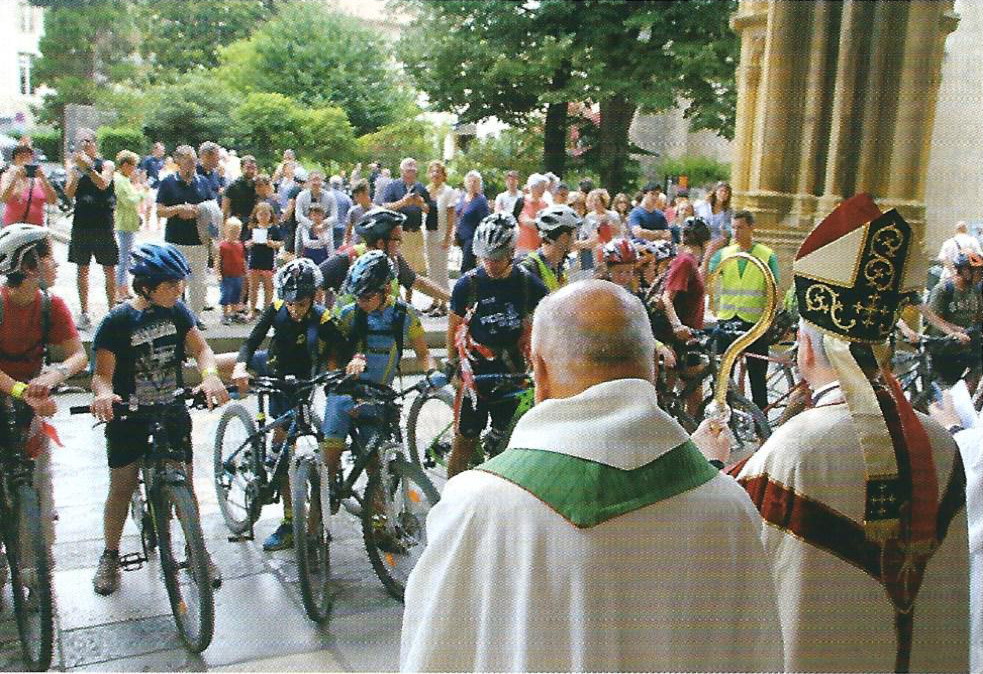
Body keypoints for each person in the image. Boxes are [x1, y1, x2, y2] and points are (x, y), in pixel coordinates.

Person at [401, 279, 784, 672]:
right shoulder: (728, 510)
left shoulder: (476, 506)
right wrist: (711, 472)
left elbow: (431, 655)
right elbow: (759, 656)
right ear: (653, 368)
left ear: (540, 370)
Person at [722, 194, 970, 672]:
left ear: (807, 349)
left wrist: (713, 462)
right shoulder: (942, 445)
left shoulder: (796, 451)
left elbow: (725, 566)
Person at [90, 243, 229, 595]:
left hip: (170, 410)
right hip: (129, 415)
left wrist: (210, 375)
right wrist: (105, 394)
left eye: (180, 283)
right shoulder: (118, 321)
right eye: (171, 285)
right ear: (147, 286)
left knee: (184, 480)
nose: (178, 290)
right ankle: (110, 554)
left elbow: (201, 349)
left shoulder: (178, 312)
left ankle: (196, 549)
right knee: (122, 485)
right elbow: (102, 374)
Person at [217, 258, 341, 551]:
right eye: (290, 304)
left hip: (300, 380)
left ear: (314, 298)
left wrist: (349, 362)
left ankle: (280, 457)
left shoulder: (321, 318)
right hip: (273, 369)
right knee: (225, 365)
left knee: (289, 437)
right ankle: (286, 517)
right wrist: (241, 366)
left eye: (301, 304)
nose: (295, 310)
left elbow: (342, 343)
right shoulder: (276, 310)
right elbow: (252, 340)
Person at [0, 225, 88, 590]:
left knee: (38, 480)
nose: (57, 264)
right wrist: (24, 390)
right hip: (16, 391)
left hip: (27, 399)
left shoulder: (51, 305)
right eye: (50, 256)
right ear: (30, 264)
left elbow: (79, 354)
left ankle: (35, 560)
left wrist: (55, 376)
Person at [321, 251, 436, 489]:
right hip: (346, 393)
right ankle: (314, 518)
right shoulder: (349, 314)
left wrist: (432, 374)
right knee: (329, 461)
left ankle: (378, 521)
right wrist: (340, 376)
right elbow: (332, 355)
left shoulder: (405, 315)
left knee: (376, 466)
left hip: (378, 397)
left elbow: (424, 354)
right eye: (357, 297)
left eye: (367, 297)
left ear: (386, 289)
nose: (361, 302)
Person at [445, 213, 548, 478]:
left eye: (497, 258)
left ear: (512, 253)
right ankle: (451, 500)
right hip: (476, 372)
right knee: (465, 439)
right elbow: (454, 324)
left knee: (508, 444)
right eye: (485, 257)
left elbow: (550, 318)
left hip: (512, 372)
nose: (490, 264)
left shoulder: (527, 283)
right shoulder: (467, 285)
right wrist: (452, 365)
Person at [707, 210, 778, 411]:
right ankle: (722, 417)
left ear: (751, 228)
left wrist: (769, 320)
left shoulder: (766, 254)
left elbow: (774, 289)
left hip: (755, 323)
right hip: (727, 320)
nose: (736, 232)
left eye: (740, 227)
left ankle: (760, 423)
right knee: (723, 377)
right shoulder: (724, 254)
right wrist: (709, 253)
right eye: (733, 227)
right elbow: (707, 280)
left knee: (757, 378)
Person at [65, 128, 117, 331]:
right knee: (82, 268)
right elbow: (69, 192)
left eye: (87, 141)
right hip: (82, 223)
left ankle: (112, 310)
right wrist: (78, 172)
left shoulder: (106, 164)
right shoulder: (74, 168)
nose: (84, 145)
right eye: (80, 142)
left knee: (109, 268)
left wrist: (88, 169)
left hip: (103, 221)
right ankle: (84, 312)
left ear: (95, 144)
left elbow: (104, 183)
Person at [155, 145, 213, 317]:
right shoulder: (168, 182)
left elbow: (211, 209)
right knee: (174, 281)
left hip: (199, 241)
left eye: (194, 160)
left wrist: (198, 211)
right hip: (175, 240)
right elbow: (160, 211)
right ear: (178, 162)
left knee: (199, 283)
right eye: (188, 161)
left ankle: (195, 317)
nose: (192, 164)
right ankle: (175, 316)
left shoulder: (203, 182)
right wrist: (178, 209)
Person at [923, 250, 983, 391]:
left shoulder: (975, 290)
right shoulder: (944, 289)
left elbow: (979, 315)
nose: (980, 275)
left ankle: (964, 400)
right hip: (943, 344)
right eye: (977, 271)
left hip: (965, 342)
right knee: (943, 384)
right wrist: (956, 331)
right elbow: (934, 319)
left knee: (978, 364)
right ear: (964, 271)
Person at [382, 158, 431, 294]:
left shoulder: (421, 188)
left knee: (412, 270)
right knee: (396, 267)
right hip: (398, 234)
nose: (411, 172)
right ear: (402, 171)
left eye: (413, 170)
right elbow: (386, 206)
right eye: (408, 169)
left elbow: (429, 210)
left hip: (415, 233)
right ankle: (395, 298)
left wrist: (420, 203)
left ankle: (409, 302)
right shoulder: (393, 186)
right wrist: (403, 202)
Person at [517, 204, 579, 293]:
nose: (575, 239)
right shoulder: (529, 268)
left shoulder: (559, 266)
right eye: (574, 234)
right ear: (564, 237)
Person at [423, 161, 456, 317]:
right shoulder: (426, 191)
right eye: (432, 171)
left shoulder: (448, 191)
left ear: (443, 175)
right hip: (428, 234)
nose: (435, 174)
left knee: (441, 271)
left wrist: (448, 237)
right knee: (431, 270)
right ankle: (434, 301)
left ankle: (444, 303)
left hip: (441, 235)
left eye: (438, 172)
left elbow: (451, 217)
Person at [112, 151, 143, 304]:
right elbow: (129, 201)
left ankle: (124, 288)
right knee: (124, 258)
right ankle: (120, 290)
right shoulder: (120, 180)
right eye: (133, 166)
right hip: (124, 222)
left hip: (129, 222)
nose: (134, 169)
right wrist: (141, 194)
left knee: (127, 257)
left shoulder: (125, 179)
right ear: (125, 165)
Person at [1, 145, 56, 226]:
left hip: (36, 227)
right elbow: (4, 199)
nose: (25, 160)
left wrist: (44, 178)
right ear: (15, 160)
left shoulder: (39, 179)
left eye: (27, 157)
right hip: (14, 226)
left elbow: (53, 200)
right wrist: (15, 179)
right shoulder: (8, 175)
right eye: (21, 157)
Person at [245, 201, 283, 319]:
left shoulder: (274, 229)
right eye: (261, 214)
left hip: (268, 261)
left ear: (271, 215)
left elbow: (281, 243)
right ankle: (252, 310)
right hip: (255, 260)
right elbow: (245, 243)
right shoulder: (252, 228)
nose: (263, 217)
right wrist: (250, 243)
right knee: (253, 287)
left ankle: (267, 310)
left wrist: (272, 244)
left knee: (268, 287)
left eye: (266, 214)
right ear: (256, 215)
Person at [453, 170, 489, 275]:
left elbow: (484, 221)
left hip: (472, 238)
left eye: (475, 182)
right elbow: (456, 215)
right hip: (460, 236)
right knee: (463, 264)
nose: (472, 184)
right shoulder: (461, 197)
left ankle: (467, 287)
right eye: (470, 181)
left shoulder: (481, 200)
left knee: (467, 265)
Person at [294, 172, 338, 255]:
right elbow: (298, 215)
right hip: (305, 227)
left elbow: (334, 216)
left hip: (324, 228)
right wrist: (311, 225)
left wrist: (323, 224)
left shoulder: (330, 197)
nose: (316, 183)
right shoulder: (301, 196)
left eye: (318, 180)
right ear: (309, 181)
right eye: (314, 180)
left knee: (329, 254)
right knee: (300, 253)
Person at [217, 218, 246, 325]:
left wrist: (244, 270)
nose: (234, 234)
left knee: (236, 294)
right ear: (226, 230)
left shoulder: (240, 244)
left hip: (238, 274)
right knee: (226, 294)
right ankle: (225, 314)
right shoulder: (222, 245)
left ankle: (234, 313)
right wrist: (218, 273)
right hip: (226, 275)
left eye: (237, 231)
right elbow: (218, 260)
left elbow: (242, 258)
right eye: (232, 231)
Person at [516, 173, 549, 256]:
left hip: (539, 247)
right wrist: (538, 224)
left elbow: (546, 225)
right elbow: (522, 220)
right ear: (532, 187)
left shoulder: (545, 205)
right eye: (541, 187)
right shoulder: (521, 202)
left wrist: (534, 223)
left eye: (544, 187)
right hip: (521, 247)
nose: (543, 190)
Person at [221, 155, 258, 227]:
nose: (251, 171)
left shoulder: (257, 185)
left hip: (253, 224)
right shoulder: (233, 186)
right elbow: (225, 210)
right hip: (237, 224)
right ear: (241, 168)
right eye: (248, 168)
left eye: (253, 168)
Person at [138, 142, 165, 229]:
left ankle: (158, 223)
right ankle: (147, 223)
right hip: (150, 186)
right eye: (161, 150)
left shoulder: (162, 161)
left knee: (159, 205)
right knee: (149, 206)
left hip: (159, 186)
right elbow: (143, 172)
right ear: (155, 150)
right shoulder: (148, 160)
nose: (162, 152)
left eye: (163, 150)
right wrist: (144, 183)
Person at [343, 179, 372, 246]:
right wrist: (345, 245)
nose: (355, 198)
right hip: (357, 246)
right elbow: (348, 233)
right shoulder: (353, 211)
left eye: (357, 195)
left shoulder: (377, 210)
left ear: (365, 193)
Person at [329, 175, 351, 249]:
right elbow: (350, 213)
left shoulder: (326, 196)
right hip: (341, 227)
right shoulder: (346, 198)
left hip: (328, 227)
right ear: (340, 185)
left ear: (330, 184)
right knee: (339, 249)